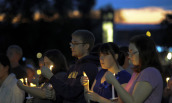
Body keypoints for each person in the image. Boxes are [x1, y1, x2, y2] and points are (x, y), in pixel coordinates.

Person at [41, 30, 99, 103]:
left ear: (86, 46)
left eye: (75, 43)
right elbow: (64, 92)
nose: (71, 47)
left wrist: (51, 77)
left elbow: (72, 93)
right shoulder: (73, 67)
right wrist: (54, 96)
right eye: (71, 43)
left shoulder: (90, 67)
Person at [105, 35, 163, 103]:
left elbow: (133, 101)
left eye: (132, 52)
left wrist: (114, 82)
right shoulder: (137, 73)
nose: (129, 56)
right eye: (129, 53)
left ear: (144, 52)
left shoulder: (150, 72)